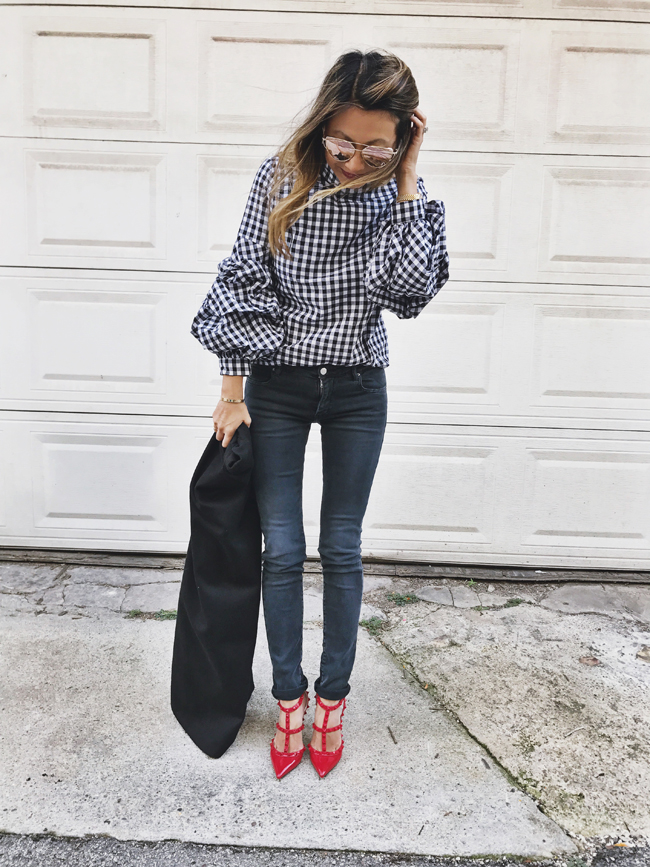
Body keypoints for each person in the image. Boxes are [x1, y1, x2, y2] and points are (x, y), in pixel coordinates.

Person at [191, 49, 449, 779]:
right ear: (322, 123)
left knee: (341, 546)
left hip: (359, 386)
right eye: (342, 143)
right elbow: (243, 279)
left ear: (403, 136)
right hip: (277, 384)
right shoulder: (280, 178)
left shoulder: (404, 196)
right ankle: (287, 697)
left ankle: (332, 698)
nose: (355, 159)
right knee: (280, 546)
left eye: (376, 147)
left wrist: (404, 180)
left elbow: (407, 292)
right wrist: (232, 391)